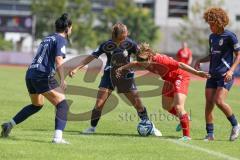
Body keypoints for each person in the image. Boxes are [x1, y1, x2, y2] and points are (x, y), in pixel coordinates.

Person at [69, 23, 161, 136]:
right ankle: (92, 128)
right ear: (117, 34)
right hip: (109, 76)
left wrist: (153, 62)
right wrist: (77, 68)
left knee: (137, 104)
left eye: (127, 32)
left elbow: (142, 57)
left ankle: (150, 126)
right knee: (99, 104)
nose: (127, 34)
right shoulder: (107, 45)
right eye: (125, 32)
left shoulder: (130, 43)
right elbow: (92, 56)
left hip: (125, 76)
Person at [1, 13, 73, 144]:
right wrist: (63, 79)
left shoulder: (47, 38)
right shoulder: (61, 39)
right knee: (63, 105)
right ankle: (58, 138)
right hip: (42, 75)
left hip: (30, 74)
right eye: (71, 27)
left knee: (37, 104)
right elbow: (58, 60)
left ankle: (9, 124)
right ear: (67, 28)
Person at [116, 43, 210, 140]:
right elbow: (134, 64)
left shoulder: (161, 60)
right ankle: (185, 117)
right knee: (166, 106)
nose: (141, 62)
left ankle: (186, 136)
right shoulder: (143, 62)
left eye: (143, 60)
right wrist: (121, 68)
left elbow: (180, 65)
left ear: (150, 56)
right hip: (168, 80)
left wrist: (197, 73)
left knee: (178, 106)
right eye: (140, 59)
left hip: (180, 77)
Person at [194, 7, 240, 141]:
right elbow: (213, 54)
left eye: (212, 24)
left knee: (219, 101)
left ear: (219, 22)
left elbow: (238, 55)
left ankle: (236, 125)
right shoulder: (212, 37)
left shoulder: (230, 36)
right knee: (209, 103)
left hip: (225, 75)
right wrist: (200, 60)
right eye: (209, 23)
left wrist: (231, 71)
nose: (210, 26)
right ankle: (210, 134)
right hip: (212, 75)